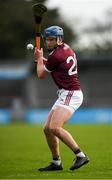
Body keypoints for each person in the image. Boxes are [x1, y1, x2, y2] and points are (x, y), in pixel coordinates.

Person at [34, 26, 89, 171]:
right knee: (47, 129)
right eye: (47, 39)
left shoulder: (55, 55)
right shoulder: (65, 49)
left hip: (71, 93)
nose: (48, 42)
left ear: (59, 39)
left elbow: (40, 74)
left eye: (51, 40)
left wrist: (39, 59)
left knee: (54, 127)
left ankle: (80, 155)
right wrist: (43, 60)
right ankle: (56, 163)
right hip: (65, 93)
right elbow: (55, 64)